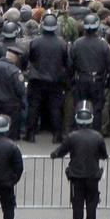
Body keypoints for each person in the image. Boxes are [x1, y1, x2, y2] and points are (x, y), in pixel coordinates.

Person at [51, 101, 109, 219]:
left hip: (76, 176)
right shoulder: (98, 136)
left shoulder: (72, 136)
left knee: (77, 204)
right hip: (93, 175)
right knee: (91, 203)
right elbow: (104, 155)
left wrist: (53, 155)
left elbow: (60, 152)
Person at [25, 14, 69, 142]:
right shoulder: (62, 43)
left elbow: (31, 58)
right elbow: (66, 62)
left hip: (37, 79)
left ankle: (31, 134)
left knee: (34, 107)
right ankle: (57, 135)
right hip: (55, 80)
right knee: (55, 107)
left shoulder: (35, 42)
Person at [70, 14, 110, 131]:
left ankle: (78, 130)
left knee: (79, 105)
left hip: (81, 79)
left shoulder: (77, 43)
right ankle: (95, 132)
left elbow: (71, 63)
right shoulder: (103, 44)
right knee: (97, 108)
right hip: (97, 80)